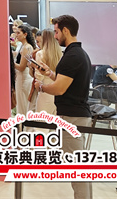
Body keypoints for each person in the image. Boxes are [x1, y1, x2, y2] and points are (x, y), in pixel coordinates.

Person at [34, 15, 92, 199]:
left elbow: (59, 89)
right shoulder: (78, 54)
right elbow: (65, 82)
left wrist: (41, 87)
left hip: (72, 117)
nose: (55, 36)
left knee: (77, 168)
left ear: (66, 30)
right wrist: (50, 73)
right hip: (77, 115)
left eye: (57, 32)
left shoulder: (72, 56)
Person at [30, 28, 61, 114]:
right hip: (56, 91)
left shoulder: (40, 54)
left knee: (42, 118)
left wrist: (33, 66)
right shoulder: (60, 54)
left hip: (45, 90)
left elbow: (39, 76)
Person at [14, 24, 36, 115]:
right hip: (21, 77)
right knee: (21, 103)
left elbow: (22, 67)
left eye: (18, 33)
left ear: (25, 34)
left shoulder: (27, 47)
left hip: (23, 78)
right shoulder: (24, 46)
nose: (16, 35)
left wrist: (10, 63)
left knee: (23, 104)